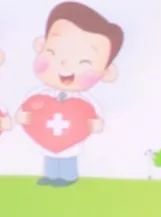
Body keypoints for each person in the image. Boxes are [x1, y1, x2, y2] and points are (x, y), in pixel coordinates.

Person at [16, 2, 124, 186]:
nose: (65, 64)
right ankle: (51, 175)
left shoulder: (85, 101)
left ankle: (67, 177)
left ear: (107, 73)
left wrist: (96, 124)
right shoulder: (38, 95)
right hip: (47, 138)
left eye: (84, 62)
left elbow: (95, 115)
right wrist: (22, 116)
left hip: (72, 141)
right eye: (53, 52)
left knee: (68, 156)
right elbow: (25, 108)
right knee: (50, 156)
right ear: (41, 46)